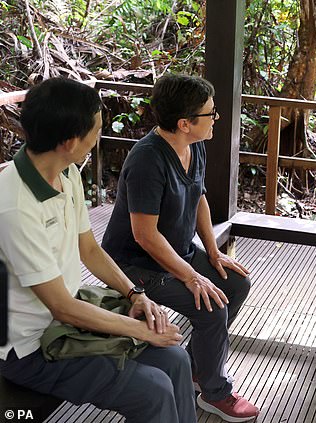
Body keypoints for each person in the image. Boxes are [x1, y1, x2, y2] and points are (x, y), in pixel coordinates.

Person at [0, 77, 196, 423]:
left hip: (68, 323)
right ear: (69, 141)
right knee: (152, 391)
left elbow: (89, 249)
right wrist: (136, 329)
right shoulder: (14, 205)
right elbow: (62, 307)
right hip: (29, 348)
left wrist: (135, 295)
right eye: (96, 130)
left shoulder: (67, 172)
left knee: (176, 360)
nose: (98, 138)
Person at [101, 74, 259, 422]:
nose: (216, 118)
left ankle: (196, 370)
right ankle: (214, 392)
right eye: (211, 114)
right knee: (212, 308)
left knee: (234, 285)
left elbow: (198, 195)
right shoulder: (147, 160)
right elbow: (144, 235)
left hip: (176, 251)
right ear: (185, 123)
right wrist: (191, 277)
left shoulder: (195, 144)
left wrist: (213, 253)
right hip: (136, 265)